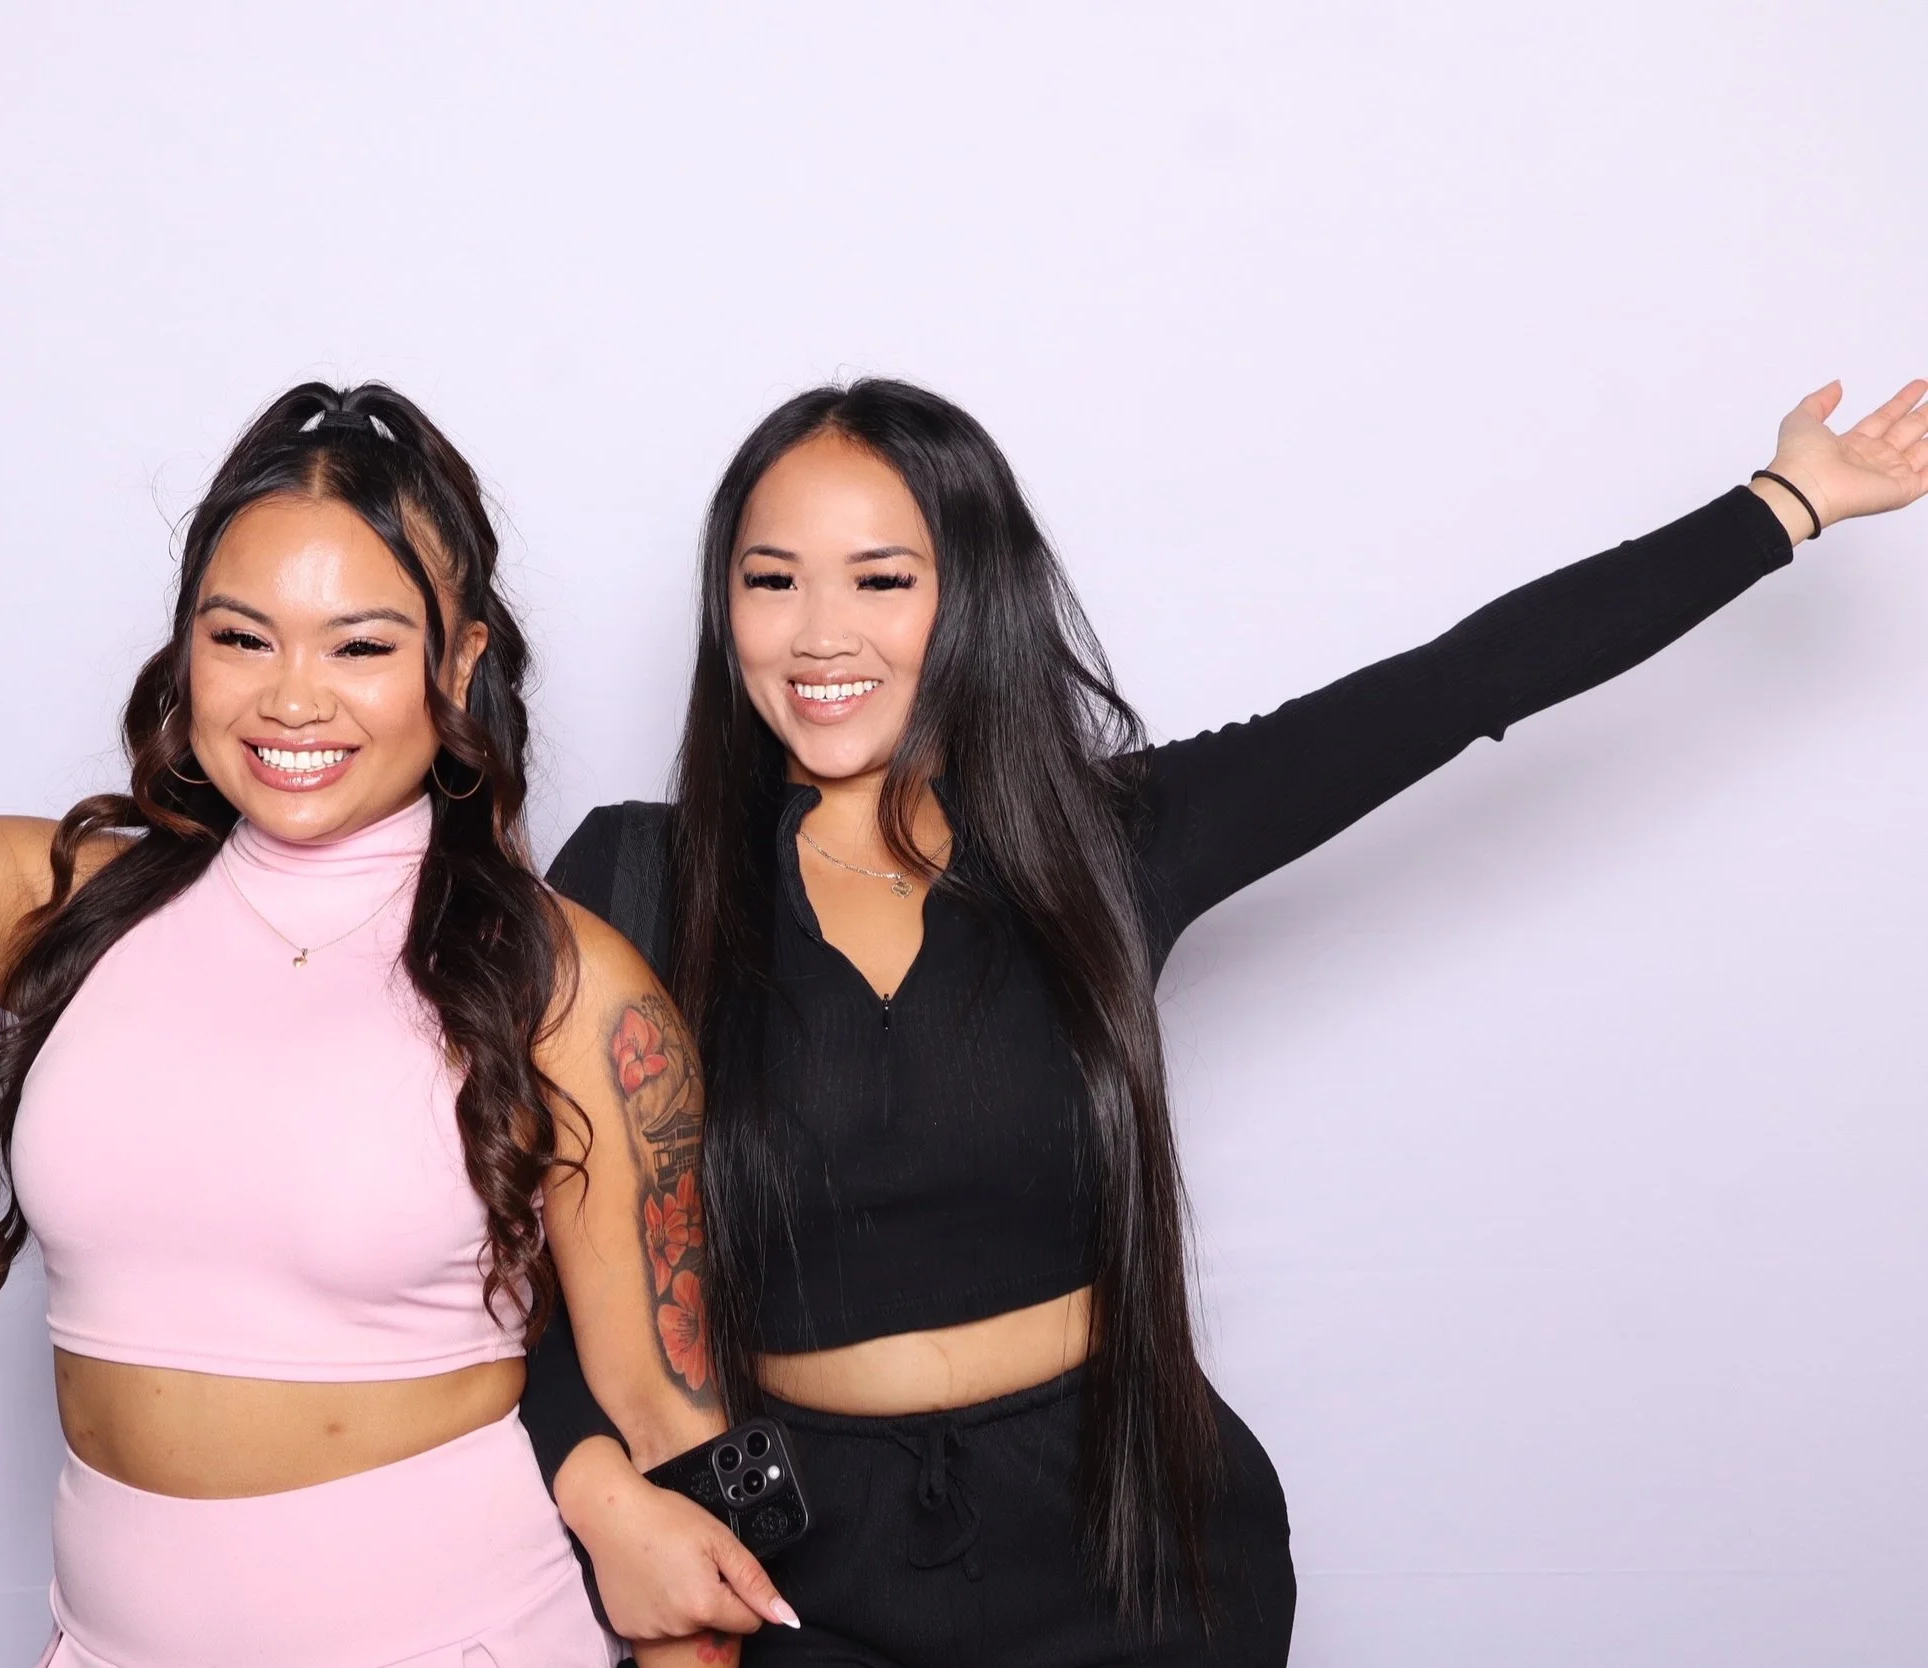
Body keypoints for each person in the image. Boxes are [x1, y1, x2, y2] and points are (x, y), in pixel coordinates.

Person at [0, 218, 799, 1668]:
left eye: (363, 645)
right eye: (240, 635)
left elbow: (673, 1453)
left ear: (456, 670)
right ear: (186, 646)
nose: (292, 698)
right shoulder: (78, 905)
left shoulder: (565, 983)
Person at [522, 374, 1928, 1665]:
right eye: (774, 581)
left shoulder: (1105, 846)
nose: (822, 634)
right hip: (796, 1572)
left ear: (973, 599)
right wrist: (598, 1493)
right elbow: (489, 1251)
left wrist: (1783, 505)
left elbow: (1452, 690)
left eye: (883, 579)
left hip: (1127, 1543)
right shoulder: (637, 880)